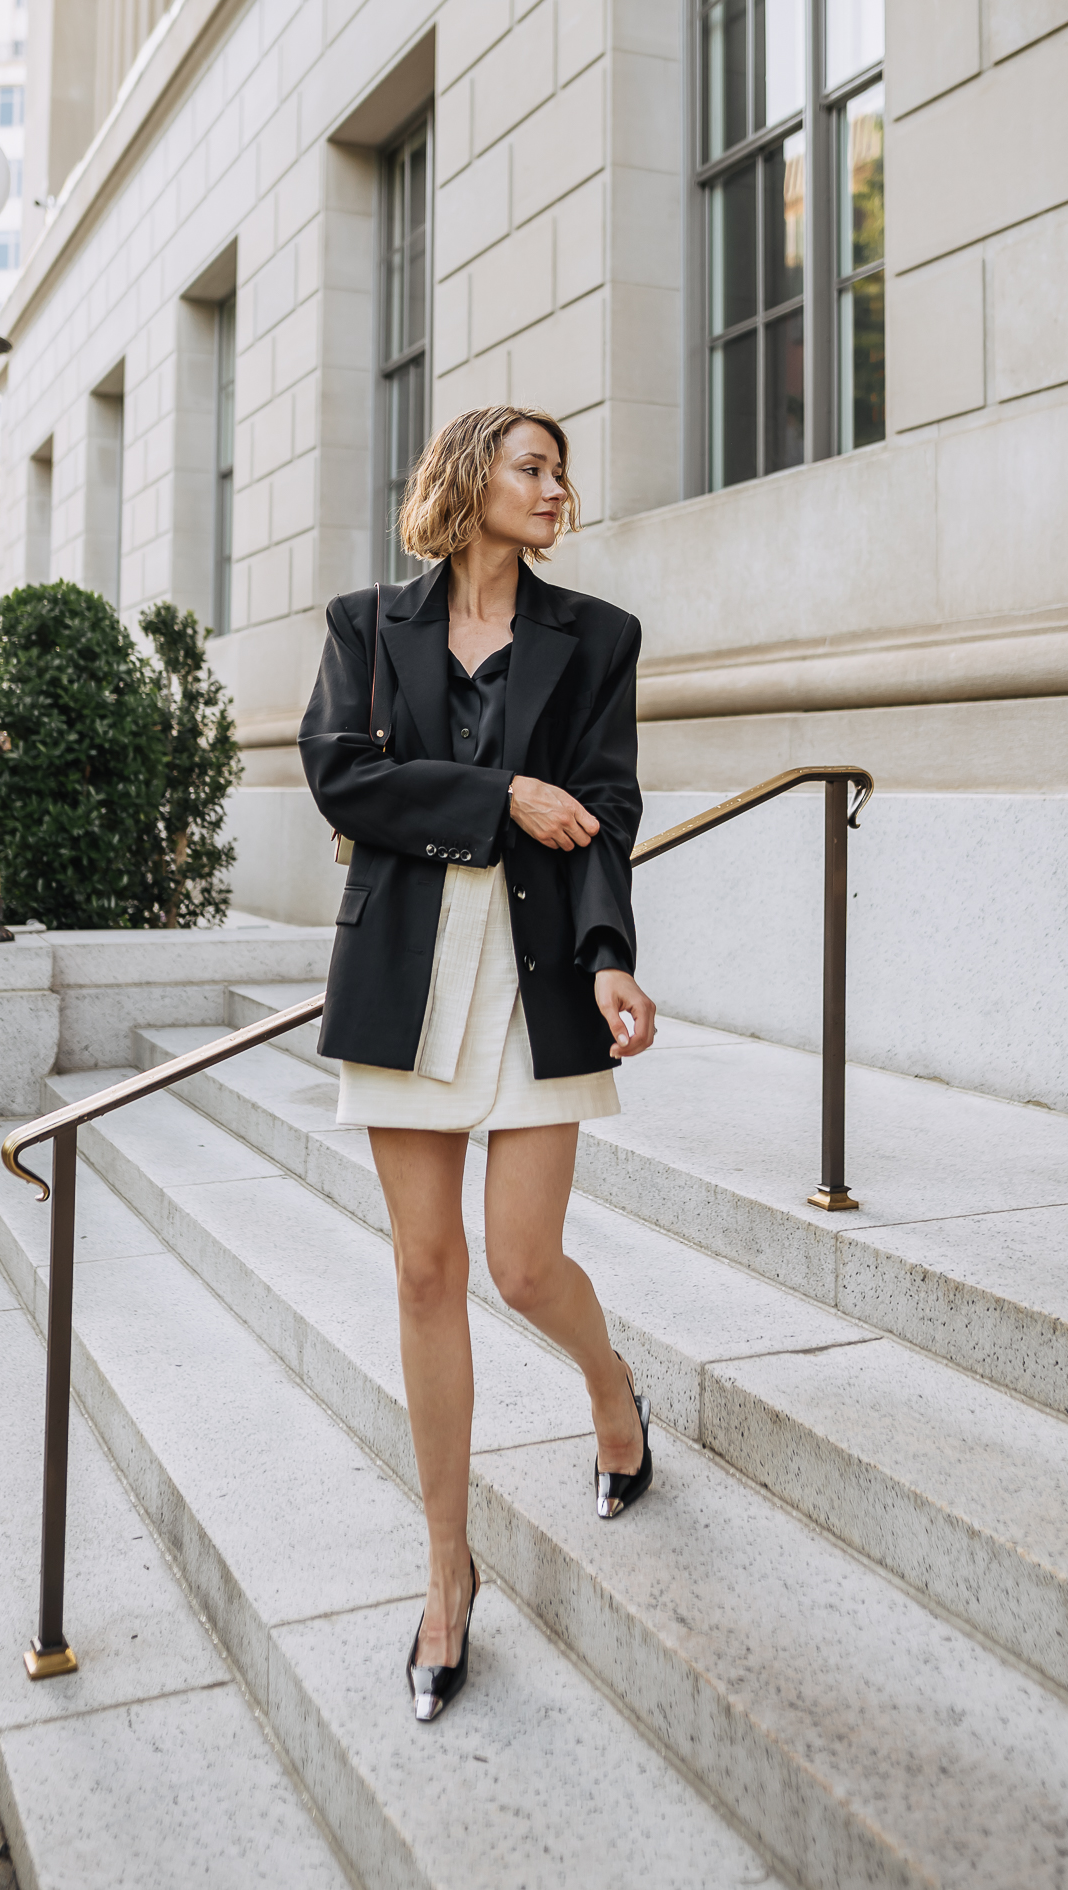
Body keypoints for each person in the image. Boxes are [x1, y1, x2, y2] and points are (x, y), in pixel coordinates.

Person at [299, 405, 656, 1724]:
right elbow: (340, 776)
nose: (558, 487)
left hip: (541, 969)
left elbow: (607, 807)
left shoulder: (598, 636)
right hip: (404, 969)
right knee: (424, 1267)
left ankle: (611, 1385)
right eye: (533, 467)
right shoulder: (364, 627)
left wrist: (611, 949)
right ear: (470, 482)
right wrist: (496, 796)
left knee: (520, 1263)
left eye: (564, 470)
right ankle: (447, 1576)